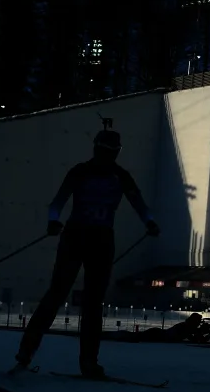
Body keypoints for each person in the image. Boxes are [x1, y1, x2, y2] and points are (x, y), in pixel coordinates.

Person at [15, 122, 159, 377]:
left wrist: (148, 221)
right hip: (85, 237)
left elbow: (57, 203)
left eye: (110, 152)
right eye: (106, 151)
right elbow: (58, 202)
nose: (107, 156)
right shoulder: (93, 173)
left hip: (90, 238)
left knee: (80, 299)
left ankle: (61, 358)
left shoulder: (106, 174)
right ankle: (43, 355)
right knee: (68, 296)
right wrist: (148, 221)